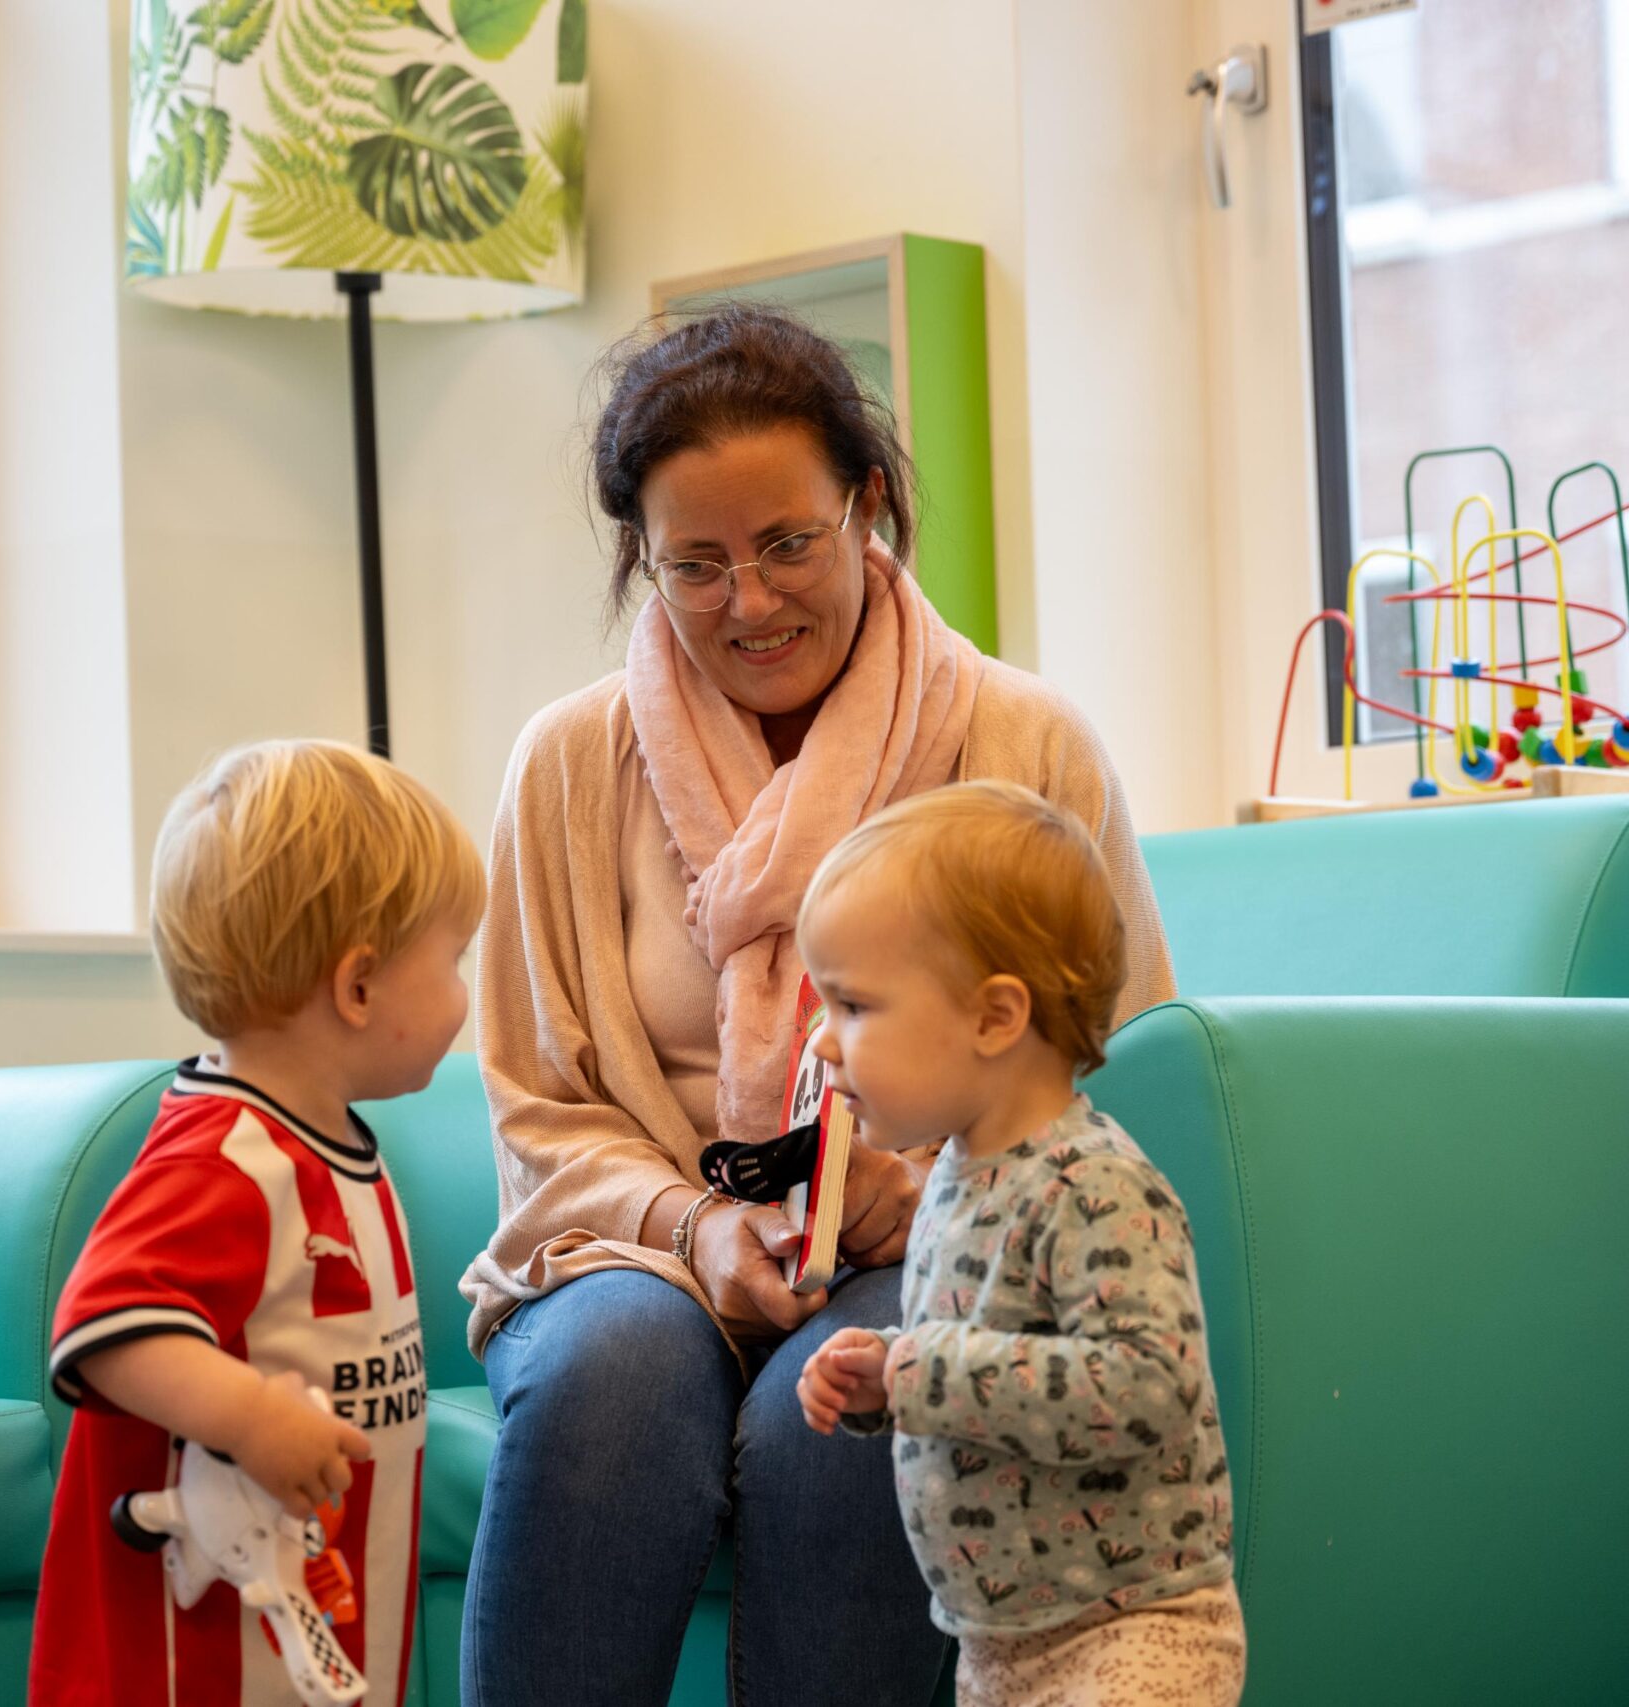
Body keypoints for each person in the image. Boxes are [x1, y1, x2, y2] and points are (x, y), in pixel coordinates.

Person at [460, 304, 1178, 1706]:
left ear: (868, 508)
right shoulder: (565, 764)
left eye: (790, 542)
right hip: (634, 1246)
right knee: (612, 1373)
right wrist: (695, 1224)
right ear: (641, 562)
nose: (751, 602)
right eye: (697, 565)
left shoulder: (1025, 742)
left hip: (934, 1244)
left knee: (848, 1398)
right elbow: (540, 1100)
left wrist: (922, 1190)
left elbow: (1114, 1062)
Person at [29, 740, 484, 1707]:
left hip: (316, 1639)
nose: (465, 996)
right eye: (454, 960)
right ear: (359, 987)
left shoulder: (331, 1147)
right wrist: (249, 1416)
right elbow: (107, 1324)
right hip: (195, 1664)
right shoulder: (225, 1156)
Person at [795, 782, 1244, 1707]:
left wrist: (918, 1367)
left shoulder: (1094, 1185)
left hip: (1131, 1630)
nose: (821, 1043)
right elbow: (987, 1357)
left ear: (996, 1018)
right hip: (1001, 1642)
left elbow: (1148, 1384)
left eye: (852, 1007)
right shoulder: (961, 1173)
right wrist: (883, 1378)